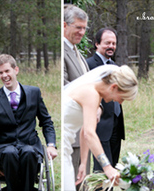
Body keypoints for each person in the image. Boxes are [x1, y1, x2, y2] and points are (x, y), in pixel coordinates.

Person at [0, 54, 57, 190]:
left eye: (7, 71)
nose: (4, 75)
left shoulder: (34, 93)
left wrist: (51, 144)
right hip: (4, 148)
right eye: (0, 72)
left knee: (28, 152)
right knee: (10, 153)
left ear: (16, 70)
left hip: (30, 145)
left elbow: (46, 121)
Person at [61, 65, 138, 190]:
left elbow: (84, 130)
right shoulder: (91, 94)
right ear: (113, 87)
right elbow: (90, 133)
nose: (119, 102)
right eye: (122, 98)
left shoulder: (96, 94)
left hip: (67, 145)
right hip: (64, 142)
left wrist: (83, 163)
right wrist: (107, 167)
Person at [85, 28, 125, 172]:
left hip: (116, 123)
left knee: (113, 167)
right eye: (107, 43)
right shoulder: (88, 65)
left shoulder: (115, 67)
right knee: (101, 171)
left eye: (113, 43)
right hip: (100, 124)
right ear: (97, 44)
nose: (111, 46)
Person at [62, 5, 89, 186]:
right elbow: (65, 88)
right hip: (71, 135)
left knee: (83, 184)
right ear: (64, 25)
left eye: (84, 28)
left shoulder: (77, 52)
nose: (82, 32)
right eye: (78, 27)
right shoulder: (63, 51)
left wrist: (98, 107)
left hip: (84, 134)